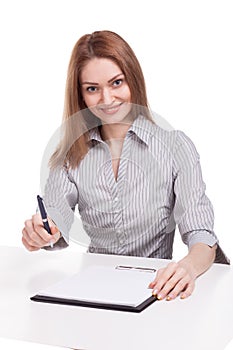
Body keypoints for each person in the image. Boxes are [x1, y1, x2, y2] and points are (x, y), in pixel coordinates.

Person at [22, 30, 229, 302]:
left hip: (153, 293)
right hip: (92, 293)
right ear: (80, 95)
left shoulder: (175, 147)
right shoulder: (70, 156)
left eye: (116, 83)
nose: (107, 99)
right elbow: (55, 214)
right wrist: (43, 232)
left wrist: (187, 268)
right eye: (92, 89)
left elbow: (202, 236)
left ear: (133, 80)